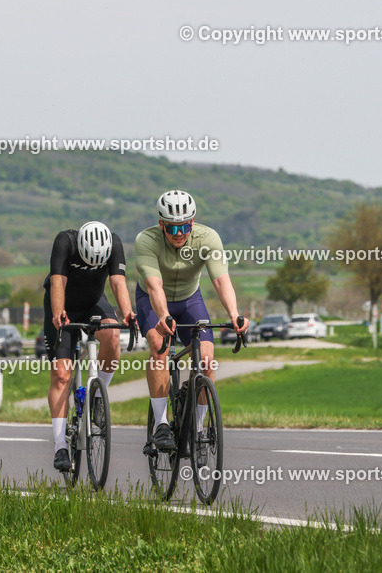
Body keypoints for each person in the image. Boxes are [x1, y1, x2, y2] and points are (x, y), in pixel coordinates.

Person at [134, 190, 248, 452]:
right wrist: (162, 316)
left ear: (193, 222)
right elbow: (154, 285)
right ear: (161, 224)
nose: (179, 233)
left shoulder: (208, 238)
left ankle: (196, 430)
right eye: (172, 227)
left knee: (207, 360)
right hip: (152, 299)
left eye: (185, 226)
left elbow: (220, 279)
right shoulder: (146, 240)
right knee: (158, 343)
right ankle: (161, 425)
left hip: (189, 299)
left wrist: (234, 314)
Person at [44, 221, 134, 473]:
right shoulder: (65, 241)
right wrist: (58, 312)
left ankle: (98, 397)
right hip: (63, 303)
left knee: (113, 335)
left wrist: (127, 313)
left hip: (94, 302)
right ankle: (60, 445)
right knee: (61, 375)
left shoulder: (114, 243)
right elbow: (58, 281)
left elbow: (117, 282)